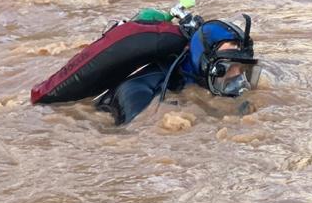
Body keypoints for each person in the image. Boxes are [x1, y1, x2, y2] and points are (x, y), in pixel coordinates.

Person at [96, 16, 260, 125]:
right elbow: (138, 135)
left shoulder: (203, 81)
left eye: (243, 68)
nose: (238, 74)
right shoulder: (137, 91)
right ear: (204, 63)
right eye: (228, 67)